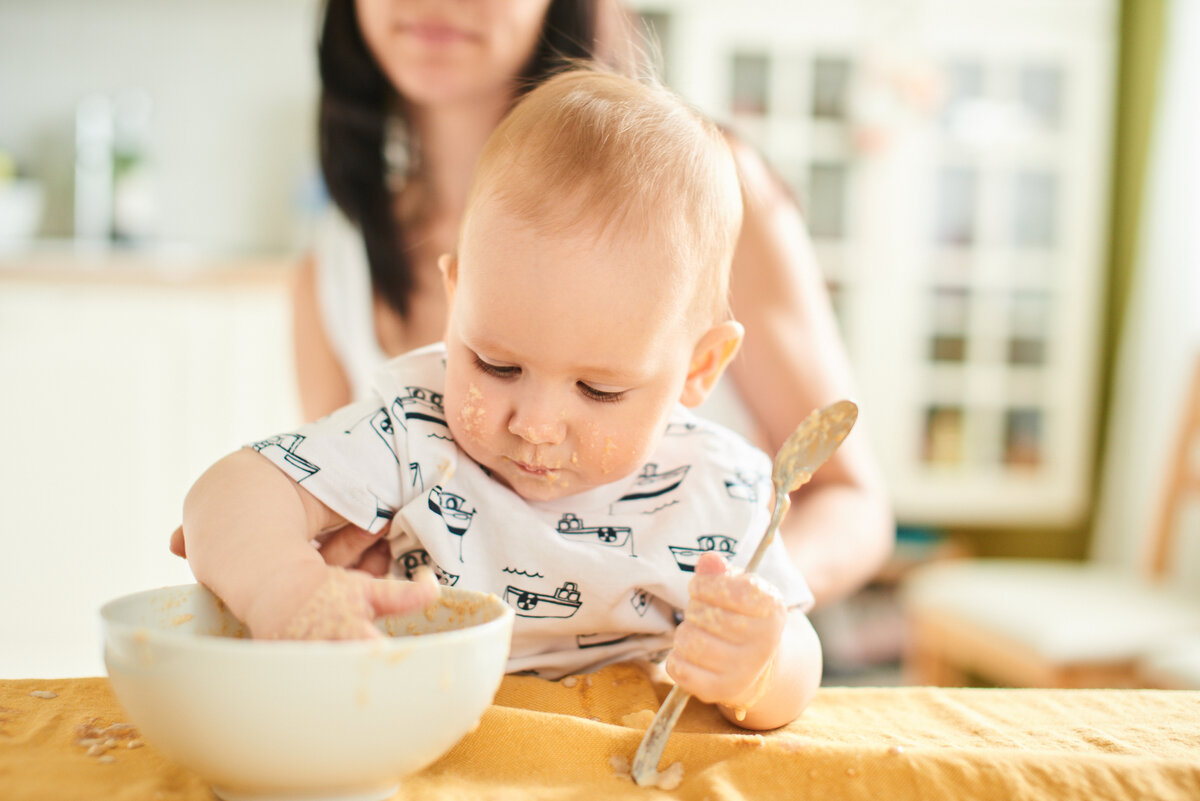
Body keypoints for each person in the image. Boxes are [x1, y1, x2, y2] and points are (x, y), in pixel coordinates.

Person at [175, 0, 893, 606]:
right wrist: (310, 567)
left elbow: (850, 499)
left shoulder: (710, 198)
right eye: (492, 363)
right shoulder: (334, 266)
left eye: (602, 387)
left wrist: (737, 601)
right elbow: (326, 515)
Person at [181, 69, 822, 731]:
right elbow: (227, 493)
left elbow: (800, 657)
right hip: (420, 745)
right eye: (497, 364)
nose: (537, 425)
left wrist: (760, 664)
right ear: (457, 300)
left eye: (598, 389)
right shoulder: (417, 427)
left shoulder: (721, 493)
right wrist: (289, 591)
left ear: (700, 366)